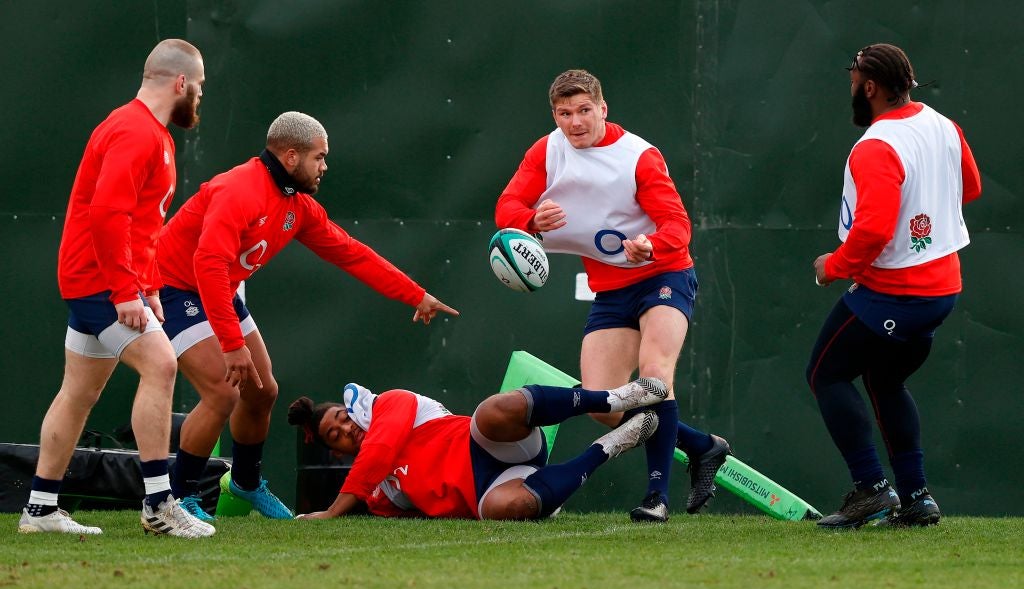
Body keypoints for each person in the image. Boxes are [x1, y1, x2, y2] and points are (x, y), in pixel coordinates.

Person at [158, 111, 459, 522]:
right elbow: (207, 263)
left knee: (262, 391)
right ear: (291, 155)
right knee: (223, 392)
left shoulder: (295, 205)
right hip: (173, 287)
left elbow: (351, 253)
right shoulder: (238, 189)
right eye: (319, 157)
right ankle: (177, 498)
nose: (325, 167)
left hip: (219, 287)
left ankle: (245, 483)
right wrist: (231, 345)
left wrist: (416, 295)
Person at [495, 69, 730, 522]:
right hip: (611, 291)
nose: (575, 122)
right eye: (565, 113)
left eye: (584, 110)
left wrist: (651, 245)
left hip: (664, 274)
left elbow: (679, 227)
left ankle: (657, 497)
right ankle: (702, 446)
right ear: (554, 115)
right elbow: (506, 207)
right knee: (604, 405)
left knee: (655, 378)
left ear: (603, 109)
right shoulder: (547, 150)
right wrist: (530, 221)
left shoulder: (637, 156)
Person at [17, 39, 215, 538]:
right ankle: (158, 507)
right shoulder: (135, 132)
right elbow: (108, 214)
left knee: (79, 391)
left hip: (102, 278)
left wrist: (146, 287)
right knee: (162, 364)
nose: (200, 97)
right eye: (200, 87)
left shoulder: (150, 133)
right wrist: (125, 290)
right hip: (97, 281)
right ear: (180, 83)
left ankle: (39, 510)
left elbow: (140, 226)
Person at [808, 43, 982, 529]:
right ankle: (917, 497)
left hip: (894, 291)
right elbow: (969, 188)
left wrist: (833, 265)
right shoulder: (944, 124)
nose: (852, 91)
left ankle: (871, 488)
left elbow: (874, 230)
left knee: (826, 374)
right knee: (886, 382)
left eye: (853, 83)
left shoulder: (877, 144)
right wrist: (924, 212)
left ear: (870, 87)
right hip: (941, 289)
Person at [289, 377, 668, 520]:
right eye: (334, 435)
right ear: (335, 453)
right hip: (489, 490)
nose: (344, 428)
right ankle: (611, 445)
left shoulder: (390, 402)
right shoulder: (376, 493)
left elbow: (381, 448)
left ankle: (612, 398)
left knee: (489, 411)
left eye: (341, 417)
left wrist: (332, 512)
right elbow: (411, 510)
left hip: (495, 444)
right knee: (510, 508)